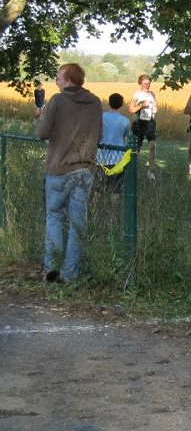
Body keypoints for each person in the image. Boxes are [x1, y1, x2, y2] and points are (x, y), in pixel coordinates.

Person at [35, 63, 103, 283]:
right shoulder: (95, 102)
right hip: (84, 169)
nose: (56, 81)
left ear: (69, 80)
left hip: (59, 169)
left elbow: (42, 133)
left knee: (54, 217)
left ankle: (52, 268)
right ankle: (71, 274)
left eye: (59, 77)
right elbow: (99, 136)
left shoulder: (57, 100)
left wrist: (44, 116)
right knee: (78, 224)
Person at [96, 92, 131, 195]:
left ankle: (95, 205)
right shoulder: (125, 121)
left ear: (109, 103)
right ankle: (114, 205)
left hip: (101, 157)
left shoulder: (100, 117)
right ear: (121, 104)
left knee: (101, 184)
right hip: (118, 158)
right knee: (116, 187)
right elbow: (125, 138)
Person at [128, 74, 158, 180]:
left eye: (148, 83)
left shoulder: (152, 94)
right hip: (139, 123)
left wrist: (154, 109)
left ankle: (151, 171)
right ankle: (131, 169)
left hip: (150, 123)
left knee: (153, 145)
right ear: (140, 83)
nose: (147, 85)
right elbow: (131, 109)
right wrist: (141, 106)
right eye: (145, 84)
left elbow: (155, 107)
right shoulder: (136, 94)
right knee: (136, 149)